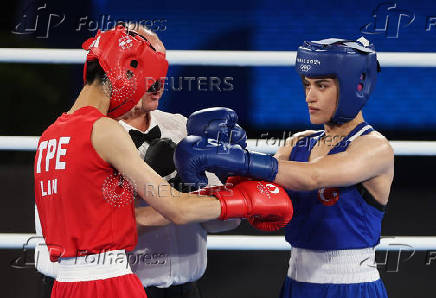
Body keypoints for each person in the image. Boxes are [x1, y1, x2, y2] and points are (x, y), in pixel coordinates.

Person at [33, 23, 293, 298]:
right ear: (127, 70)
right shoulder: (103, 130)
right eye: (151, 75)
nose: (158, 86)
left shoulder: (53, 135)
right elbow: (176, 209)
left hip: (69, 286)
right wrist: (243, 200)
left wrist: (226, 182)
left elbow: (71, 225)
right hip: (111, 279)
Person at [175, 37, 394, 297]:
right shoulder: (297, 143)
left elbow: (314, 176)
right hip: (296, 282)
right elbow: (263, 191)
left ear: (355, 86)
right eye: (307, 85)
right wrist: (226, 169)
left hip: (353, 286)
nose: (309, 96)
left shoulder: (374, 147)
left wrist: (239, 158)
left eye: (322, 86)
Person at [119, 26, 241, 298]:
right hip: (125, 290)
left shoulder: (181, 126)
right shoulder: (92, 135)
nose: (159, 82)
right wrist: (176, 203)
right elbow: (89, 228)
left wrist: (230, 187)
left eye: (162, 70)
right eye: (148, 69)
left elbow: (220, 223)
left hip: (187, 288)